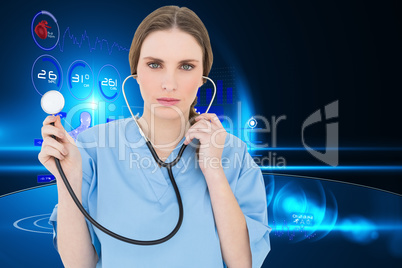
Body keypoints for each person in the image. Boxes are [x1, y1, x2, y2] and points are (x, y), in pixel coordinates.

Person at [40, 5, 271, 268]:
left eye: (186, 66)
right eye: (154, 64)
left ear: (202, 77)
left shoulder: (234, 154)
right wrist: (66, 177)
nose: (168, 83)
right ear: (135, 73)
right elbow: (79, 265)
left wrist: (214, 170)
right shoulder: (92, 147)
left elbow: (242, 264)